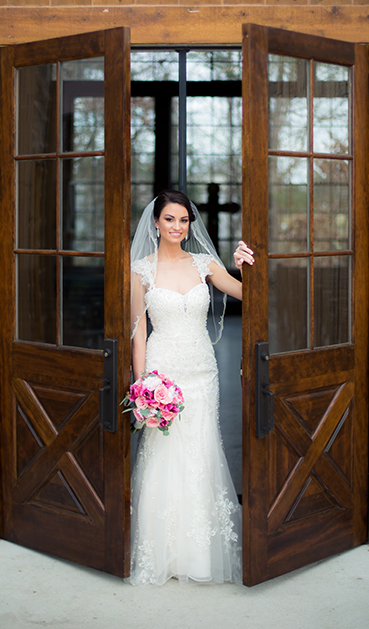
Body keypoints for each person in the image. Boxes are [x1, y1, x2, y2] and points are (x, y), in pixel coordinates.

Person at [127, 190, 254, 586]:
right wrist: (143, 385)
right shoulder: (141, 271)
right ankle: (163, 553)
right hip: (162, 374)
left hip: (202, 372)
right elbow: (138, 333)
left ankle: (200, 555)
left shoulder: (204, 263)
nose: (177, 227)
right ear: (155, 223)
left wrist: (240, 267)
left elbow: (245, 295)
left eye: (183, 220)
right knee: (163, 455)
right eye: (169, 219)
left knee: (201, 453)